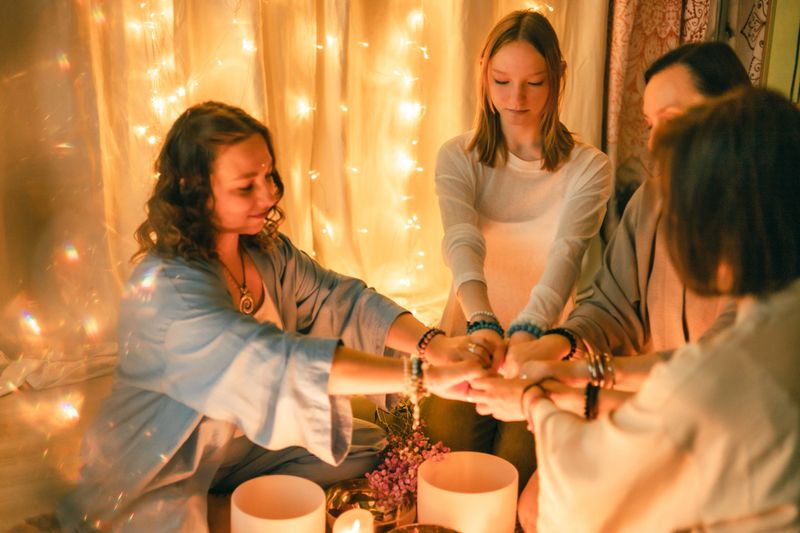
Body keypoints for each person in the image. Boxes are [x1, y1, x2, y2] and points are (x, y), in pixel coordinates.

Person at [56, 101, 487, 532]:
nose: (269, 195)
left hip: (242, 447)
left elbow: (341, 299)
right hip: (169, 458)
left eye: (269, 177)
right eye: (246, 187)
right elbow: (277, 360)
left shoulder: (265, 251)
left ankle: (234, 502)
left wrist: (435, 344)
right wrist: (420, 375)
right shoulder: (170, 291)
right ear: (195, 192)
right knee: (159, 520)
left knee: (366, 448)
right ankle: (212, 508)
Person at [466, 87, 800, 531]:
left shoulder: (724, 374)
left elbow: (579, 496)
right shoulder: (779, 315)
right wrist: (565, 362)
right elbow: (613, 308)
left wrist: (533, 400)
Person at [421, 9, 612, 489]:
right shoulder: (457, 157)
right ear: (484, 72)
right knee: (447, 468)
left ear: (558, 80)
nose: (516, 99)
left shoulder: (590, 168)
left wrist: (527, 331)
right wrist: (481, 322)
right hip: (470, 336)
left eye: (534, 83)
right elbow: (461, 240)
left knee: (517, 471)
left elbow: (566, 254)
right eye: (502, 81)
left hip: (543, 345)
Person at [502, 42, 751, 382]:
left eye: (672, 119)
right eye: (651, 124)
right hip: (653, 412)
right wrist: (559, 343)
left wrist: (581, 374)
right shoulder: (651, 200)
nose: (653, 143)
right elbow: (613, 308)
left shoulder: (768, 216)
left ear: (731, 112)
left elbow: (722, 356)